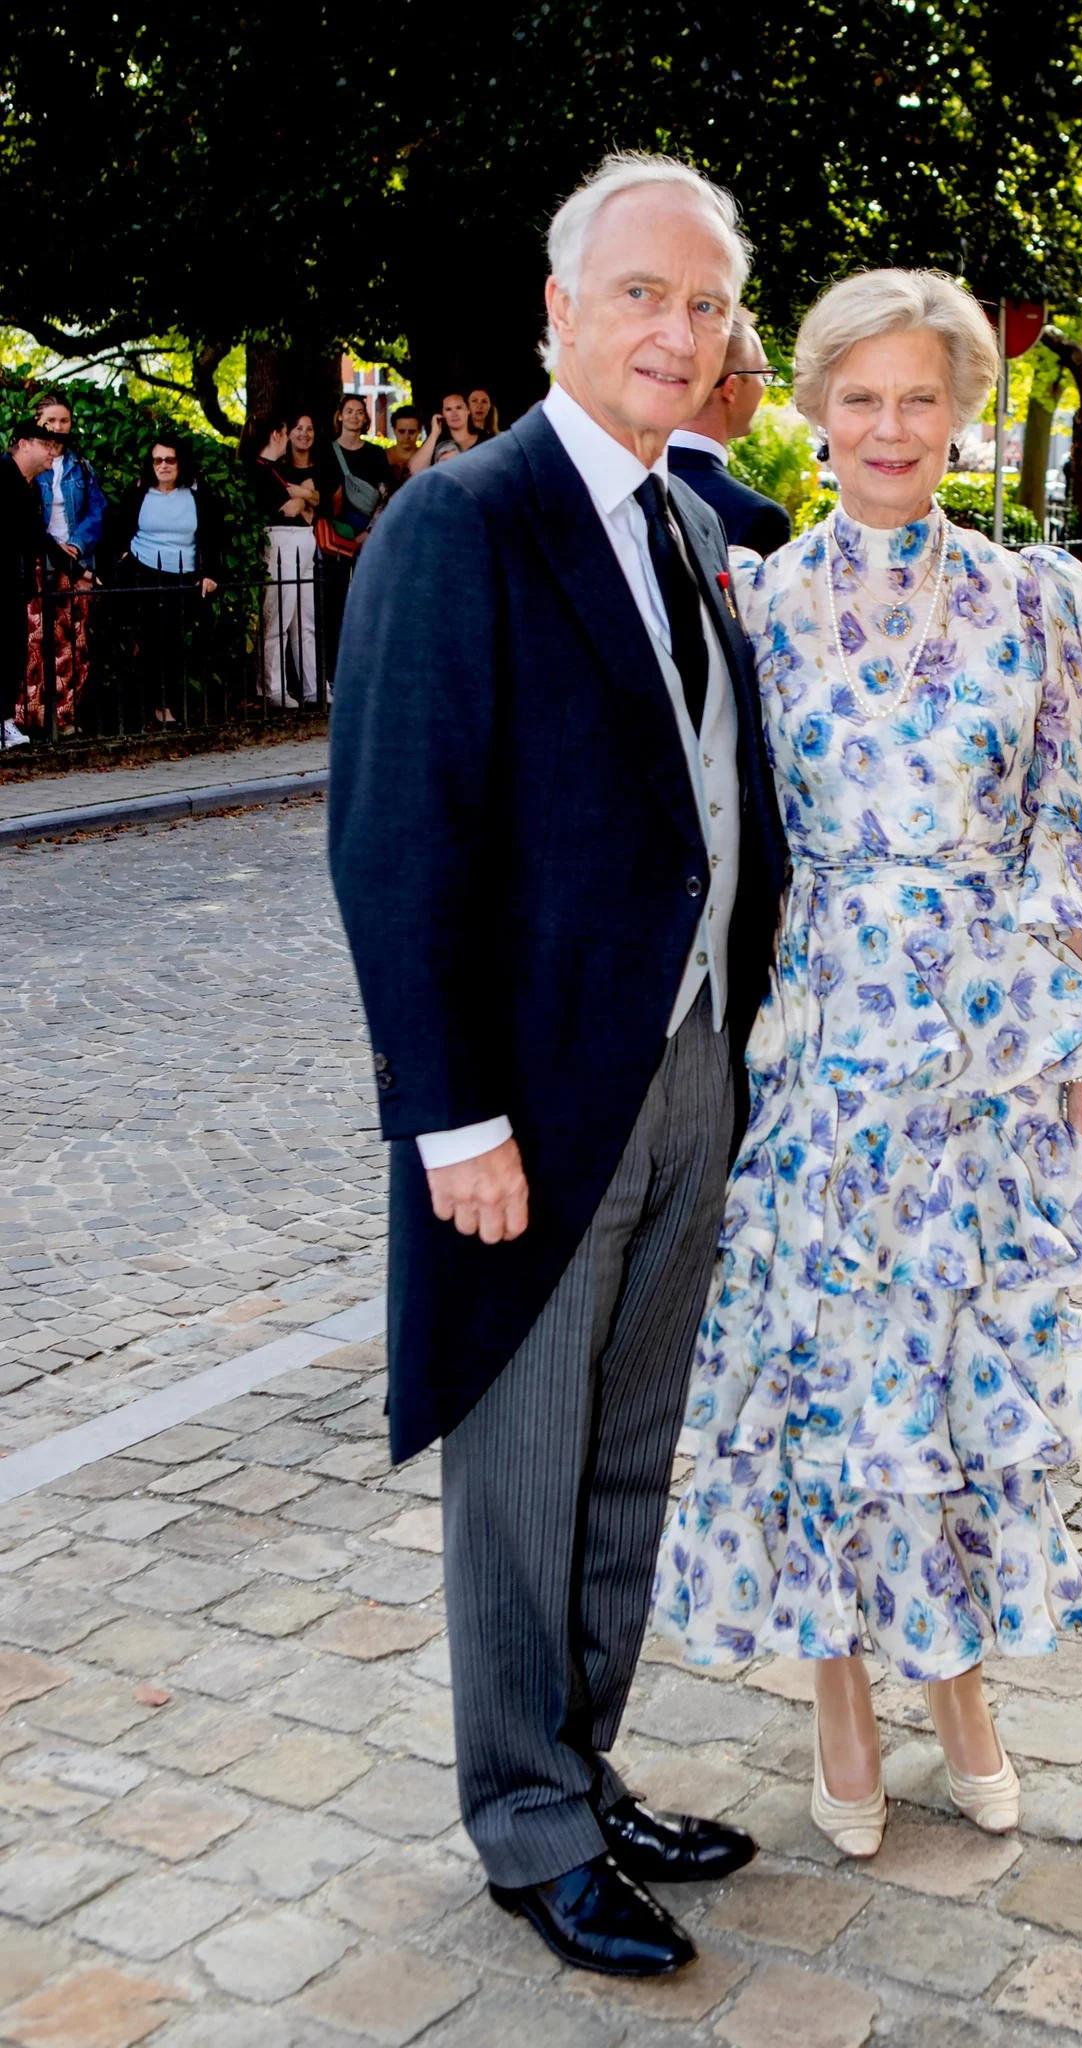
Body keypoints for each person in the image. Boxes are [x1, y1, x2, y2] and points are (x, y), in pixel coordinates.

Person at [329, 152, 785, 1979]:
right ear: (559, 312)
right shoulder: (465, 520)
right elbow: (395, 838)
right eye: (640, 296)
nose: (675, 332)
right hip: (523, 1104)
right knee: (520, 1478)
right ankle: (525, 1820)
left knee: (623, 1461)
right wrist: (451, 1113)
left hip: (687, 1071)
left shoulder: (688, 516)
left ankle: (581, 1766)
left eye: (704, 304)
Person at [653, 268, 1082, 1854]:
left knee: (959, 1386)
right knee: (821, 1385)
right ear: (814, 410)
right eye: (860, 397)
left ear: (961, 416)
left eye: (921, 399)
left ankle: (960, 1693)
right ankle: (838, 1703)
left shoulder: (1040, 604)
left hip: (980, 1067)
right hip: (821, 1059)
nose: (891, 427)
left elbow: (1064, 842)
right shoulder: (757, 602)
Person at [105, 433, 222, 726]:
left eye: (170, 459)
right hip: (142, 573)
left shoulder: (197, 494)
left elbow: (211, 537)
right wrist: (122, 557)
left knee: (173, 646)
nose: (164, 465)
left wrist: (210, 573)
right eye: (157, 460)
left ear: (180, 463)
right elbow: (118, 526)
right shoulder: (140, 492)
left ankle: (167, 706)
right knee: (143, 643)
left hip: (183, 577)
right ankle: (145, 710)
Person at [668, 311, 791, 555]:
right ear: (731, 388)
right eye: (763, 375)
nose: (765, 389)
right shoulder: (757, 518)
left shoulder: (618, 483)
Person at [22, 392, 105, 735]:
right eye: (51, 420)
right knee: (34, 645)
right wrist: (51, 548)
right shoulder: (26, 465)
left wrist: (75, 545)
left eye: (64, 420)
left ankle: (65, 717)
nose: (58, 427)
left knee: (72, 644)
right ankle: (30, 718)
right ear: (37, 423)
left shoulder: (80, 467)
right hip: (37, 563)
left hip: (74, 562)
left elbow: (96, 512)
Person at [2, 419, 70, 747]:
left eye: (55, 448)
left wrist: (75, 567)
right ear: (24, 444)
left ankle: (3, 723)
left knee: (12, 653)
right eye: (47, 446)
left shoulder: (28, 487)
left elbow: (36, 537)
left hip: (15, 584)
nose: (52, 454)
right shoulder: (3, 477)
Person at [244, 416, 319, 710]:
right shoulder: (260, 470)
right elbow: (290, 509)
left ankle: (313, 687)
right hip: (282, 542)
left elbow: (310, 504)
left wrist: (302, 495)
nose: (289, 438)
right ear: (276, 434)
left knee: (306, 621)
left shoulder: (279, 470)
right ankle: (272, 687)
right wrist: (305, 496)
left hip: (301, 541)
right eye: (288, 431)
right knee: (278, 618)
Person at [318, 393, 389, 680]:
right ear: (339, 415)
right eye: (349, 411)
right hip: (335, 538)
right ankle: (334, 672)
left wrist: (369, 531)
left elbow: (385, 493)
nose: (355, 416)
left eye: (360, 412)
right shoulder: (325, 452)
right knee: (333, 603)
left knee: (369, 601)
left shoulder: (375, 454)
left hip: (367, 536)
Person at [407, 390, 485, 474]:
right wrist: (434, 434)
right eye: (448, 409)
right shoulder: (436, 442)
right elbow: (415, 470)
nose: (454, 413)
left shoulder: (485, 438)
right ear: (442, 415)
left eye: (458, 407)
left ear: (468, 410)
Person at [386, 404, 423, 492]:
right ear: (394, 430)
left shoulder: (427, 457)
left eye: (411, 432)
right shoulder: (381, 456)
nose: (406, 437)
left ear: (419, 431)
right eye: (402, 431)